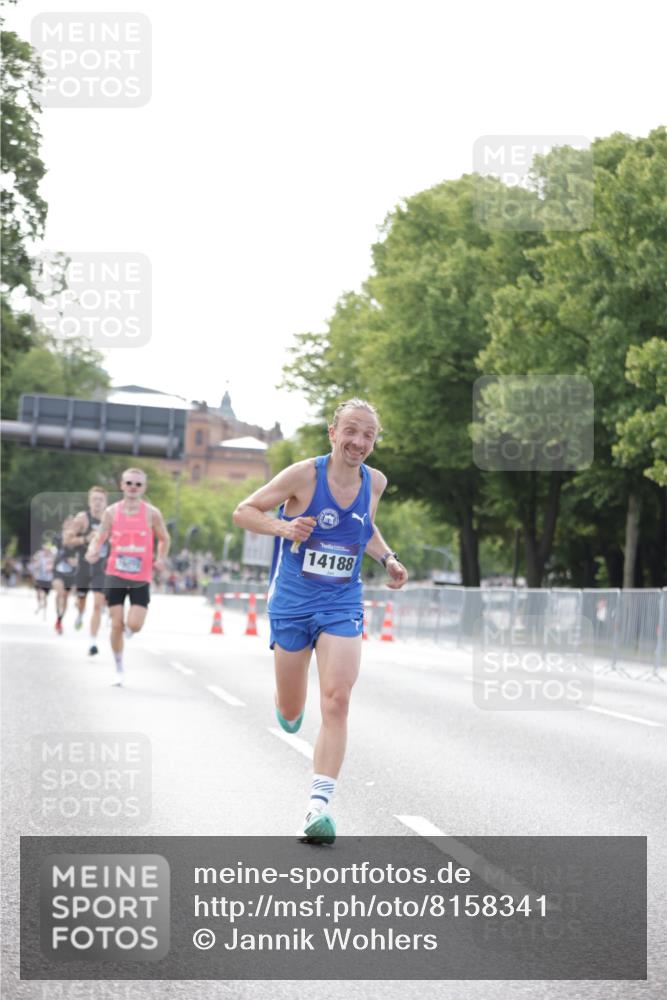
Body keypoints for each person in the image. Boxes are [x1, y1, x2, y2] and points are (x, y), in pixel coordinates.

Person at [233, 398, 408, 845]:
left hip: (341, 600)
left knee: (337, 700)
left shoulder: (376, 481)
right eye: (351, 431)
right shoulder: (304, 475)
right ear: (333, 433)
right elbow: (244, 511)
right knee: (292, 712)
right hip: (292, 602)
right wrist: (283, 528)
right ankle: (285, 704)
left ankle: (318, 808)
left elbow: (363, 526)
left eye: (368, 434)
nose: (359, 441)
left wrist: (387, 558)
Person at [85, 467, 170, 686]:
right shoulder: (112, 512)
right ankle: (119, 667)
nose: (133, 487)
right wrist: (93, 549)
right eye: (129, 483)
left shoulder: (152, 513)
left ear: (144, 488)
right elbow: (100, 536)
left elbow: (164, 538)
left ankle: (128, 630)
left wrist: (160, 557)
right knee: (115, 625)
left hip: (141, 577)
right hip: (115, 574)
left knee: (134, 624)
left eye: (138, 484)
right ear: (122, 486)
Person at [72, 486, 109, 656]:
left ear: (106, 502)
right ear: (89, 501)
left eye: (101, 499)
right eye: (94, 499)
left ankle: (92, 642)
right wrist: (85, 538)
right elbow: (67, 538)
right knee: (82, 599)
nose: (98, 503)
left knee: (97, 604)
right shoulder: (82, 518)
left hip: (102, 567)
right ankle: (80, 613)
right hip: (84, 567)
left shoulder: (111, 518)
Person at [52, 516, 80, 633]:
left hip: (70, 573)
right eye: (67, 523)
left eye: (71, 524)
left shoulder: (78, 540)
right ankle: (58, 616)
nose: (69, 526)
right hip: (58, 570)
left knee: (65, 597)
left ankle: (60, 619)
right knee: (60, 593)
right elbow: (55, 550)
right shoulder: (57, 537)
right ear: (63, 525)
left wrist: (75, 561)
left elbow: (79, 557)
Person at [30, 542, 55, 617]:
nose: (46, 550)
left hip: (48, 579)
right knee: (38, 592)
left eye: (47, 549)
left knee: (45, 596)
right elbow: (34, 561)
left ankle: (45, 612)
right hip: (40, 578)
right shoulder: (40, 555)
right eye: (45, 549)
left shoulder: (52, 556)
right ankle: (39, 604)